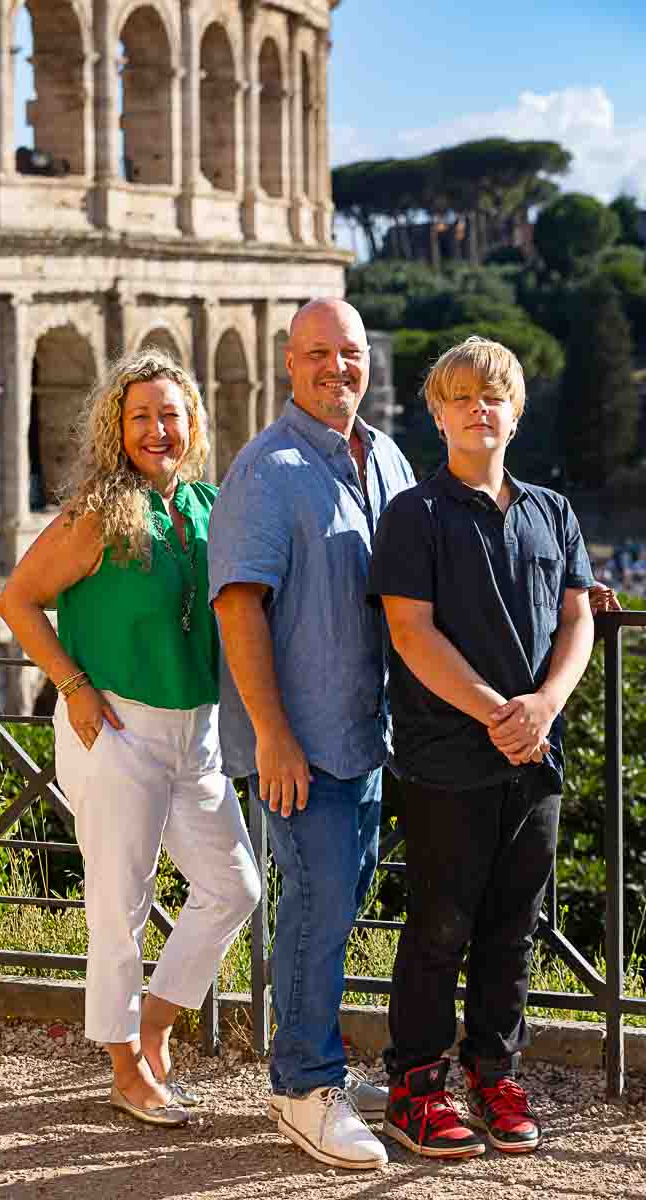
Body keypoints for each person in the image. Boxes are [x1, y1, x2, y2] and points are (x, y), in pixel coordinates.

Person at [0, 349, 260, 1128]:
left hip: (197, 734)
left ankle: (152, 1024)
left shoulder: (212, 506)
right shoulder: (95, 513)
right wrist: (72, 687)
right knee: (121, 906)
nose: (156, 429)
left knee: (234, 887)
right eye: (139, 416)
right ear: (116, 427)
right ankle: (124, 1065)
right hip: (114, 727)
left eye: (169, 415)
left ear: (193, 425)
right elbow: (18, 600)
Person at [369, 335, 598, 1159]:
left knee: (513, 924)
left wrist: (544, 706)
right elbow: (410, 629)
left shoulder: (553, 512)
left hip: (536, 756)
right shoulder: (414, 515)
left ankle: (494, 1073)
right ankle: (415, 1087)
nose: (479, 408)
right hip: (445, 757)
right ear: (436, 414)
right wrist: (500, 709)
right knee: (439, 925)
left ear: (516, 411)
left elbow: (577, 618)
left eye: (494, 395)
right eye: (461, 396)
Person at [208, 299, 415, 1170]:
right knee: (315, 909)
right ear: (289, 364)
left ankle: (315, 1061)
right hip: (303, 743)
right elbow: (238, 606)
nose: (339, 368)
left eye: (352, 353)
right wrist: (273, 736)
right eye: (319, 354)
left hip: (367, 733)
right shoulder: (268, 470)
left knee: (338, 900)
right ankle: (301, 1088)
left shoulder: (387, 454)